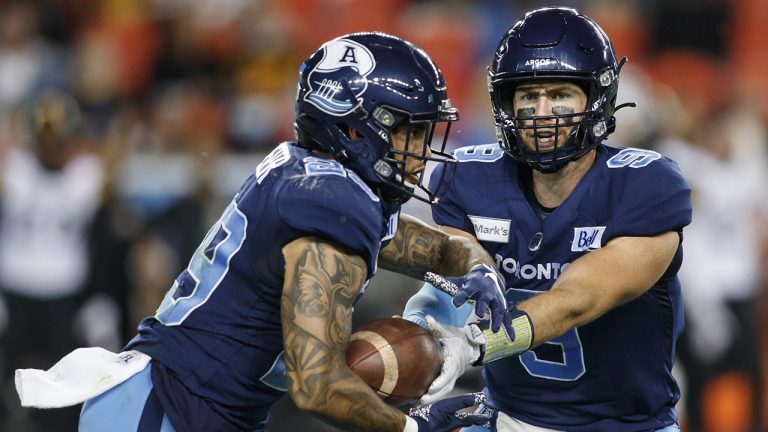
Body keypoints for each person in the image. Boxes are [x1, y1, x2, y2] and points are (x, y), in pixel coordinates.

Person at [15, 32, 505, 432]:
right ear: (354, 128)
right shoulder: (332, 207)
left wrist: (481, 269)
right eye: (409, 131)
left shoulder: (319, 181)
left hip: (190, 408)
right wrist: (414, 426)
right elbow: (317, 387)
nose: (420, 150)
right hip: (167, 411)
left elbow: (438, 248)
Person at [403, 7, 693, 432]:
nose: (541, 112)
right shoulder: (469, 178)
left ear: (596, 99)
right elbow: (450, 283)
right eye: (527, 96)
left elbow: (579, 298)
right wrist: (414, 337)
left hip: (627, 426)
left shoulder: (644, 184)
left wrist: (475, 344)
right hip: (507, 418)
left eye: (559, 94)